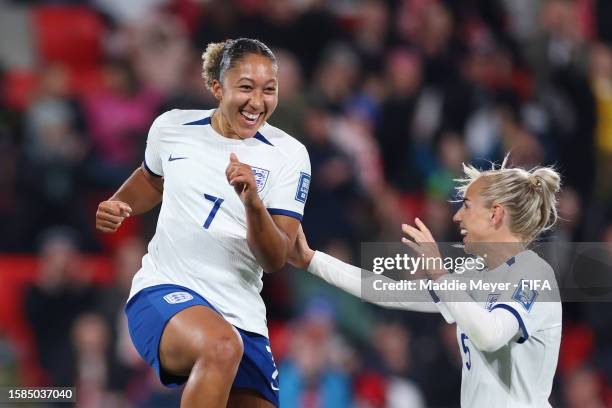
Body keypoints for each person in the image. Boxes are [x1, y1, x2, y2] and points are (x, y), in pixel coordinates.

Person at [95, 38, 311, 408]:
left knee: (227, 344)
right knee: (221, 346)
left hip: (241, 316)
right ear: (217, 87)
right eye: (245, 87)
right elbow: (151, 179)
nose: (257, 102)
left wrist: (253, 203)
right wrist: (118, 204)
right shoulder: (172, 127)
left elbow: (275, 258)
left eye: (268, 90)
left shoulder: (290, 155)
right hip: (165, 292)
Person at [289, 156, 562, 407]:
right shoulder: (473, 275)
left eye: (466, 206)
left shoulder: (534, 274)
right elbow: (387, 292)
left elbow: (491, 336)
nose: (457, 217)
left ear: (496, 214)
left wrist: (440, 273)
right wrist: (312, 260)